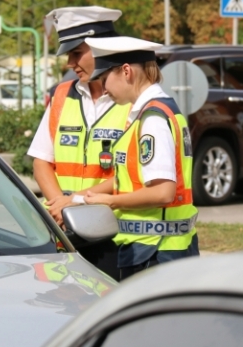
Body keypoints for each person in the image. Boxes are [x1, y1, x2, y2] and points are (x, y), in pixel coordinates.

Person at [79, 34, 200, 280]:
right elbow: (132, 177)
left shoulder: (153, 119)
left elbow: (163, 192)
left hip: (155, 252)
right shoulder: (154, 112)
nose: (103, 89)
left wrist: (111, 202)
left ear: (126, 71)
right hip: (158, 249)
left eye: (104, 79)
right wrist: (83, 197)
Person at [26, 6, 131, 278]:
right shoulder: (62, 94)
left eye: (76, 53)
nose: (70, 64)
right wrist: (61, 205)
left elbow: (132, 174)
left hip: (116, 238)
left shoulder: (133, 99)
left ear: (100, 47)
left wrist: (77, 201)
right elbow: (41, 162)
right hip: (70, 233)